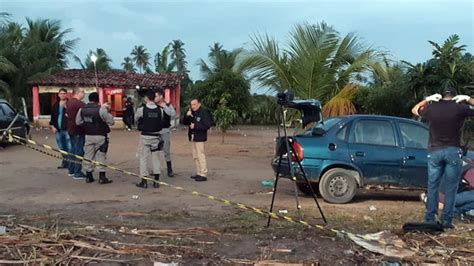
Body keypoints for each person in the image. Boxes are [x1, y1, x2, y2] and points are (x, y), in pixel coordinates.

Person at [412, 88, 474, 228]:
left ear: (440, 96)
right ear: (455, 96)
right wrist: (468, 98)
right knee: (451, 188)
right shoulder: (460, 108)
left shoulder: (432, 108)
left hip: (434, 151)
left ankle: (430, 218)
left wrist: (427, 99)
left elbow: (415, 110)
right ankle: (446, 221)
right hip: (453, 151)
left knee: (433, 185)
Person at [76, 92, 114, 184]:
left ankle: (89, 176)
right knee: (101, 155)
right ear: (98, 100)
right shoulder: (101, 109)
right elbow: (111, 122)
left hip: (88, 135)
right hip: (100, 135)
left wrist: (87, 124)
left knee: (88, 155)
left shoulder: (82, 109)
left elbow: (78, 122)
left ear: (89, 99)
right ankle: (102, 177)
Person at [135, 90, 163, 188]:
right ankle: (156, 181)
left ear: (146, 98)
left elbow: (136, 119)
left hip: (145, 136)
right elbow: (161, 121)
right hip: (156, 137)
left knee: (143, 158)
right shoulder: (160, 110)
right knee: (156, 158)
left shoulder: (141, 110)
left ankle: (144, 181)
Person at [183, 99, 212, 182]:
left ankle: (203, 174)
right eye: (192, 105)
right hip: (192, 136)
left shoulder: (204, 112)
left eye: (194, 104)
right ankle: (198, 172)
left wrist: (195, 126)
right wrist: (187, 116)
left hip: (200, 137)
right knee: (195, 156)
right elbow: (185, 122)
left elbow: (207, 125)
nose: (193, 106)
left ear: (199, 104)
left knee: (200, 155)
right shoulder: (192, 112)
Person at [66, 87, 87, 179]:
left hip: (70, 128)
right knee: (79, 151)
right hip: (78, 129)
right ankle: (77, 172)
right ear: (78, 92)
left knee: (72, 150)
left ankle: (71, 170)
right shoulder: (80, 104)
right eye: (83, 92)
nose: (84, 94)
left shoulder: (69, 102)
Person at [155, 89, 176, 177]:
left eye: (156, 96)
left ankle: (169, 169)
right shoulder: (153, 106)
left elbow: (173, 114)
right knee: (154, 151)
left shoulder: (168, 105)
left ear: (161, 96)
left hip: (165, 130)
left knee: (166, 150)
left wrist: (165, 107)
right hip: (155, 131)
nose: (155, 98)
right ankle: (156, 169)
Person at [49, 88, 71, 171]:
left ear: (66, 94)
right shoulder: (55, 105)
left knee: (69, 147)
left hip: (67, 130)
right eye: (61, 93)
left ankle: (70, 163)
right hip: (58, 130)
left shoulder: (69, 104)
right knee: (61, 147)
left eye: (64, 93)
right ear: (58, 95)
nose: (62, 95)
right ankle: (65, 162)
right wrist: (53, 126)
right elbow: (53, 117)